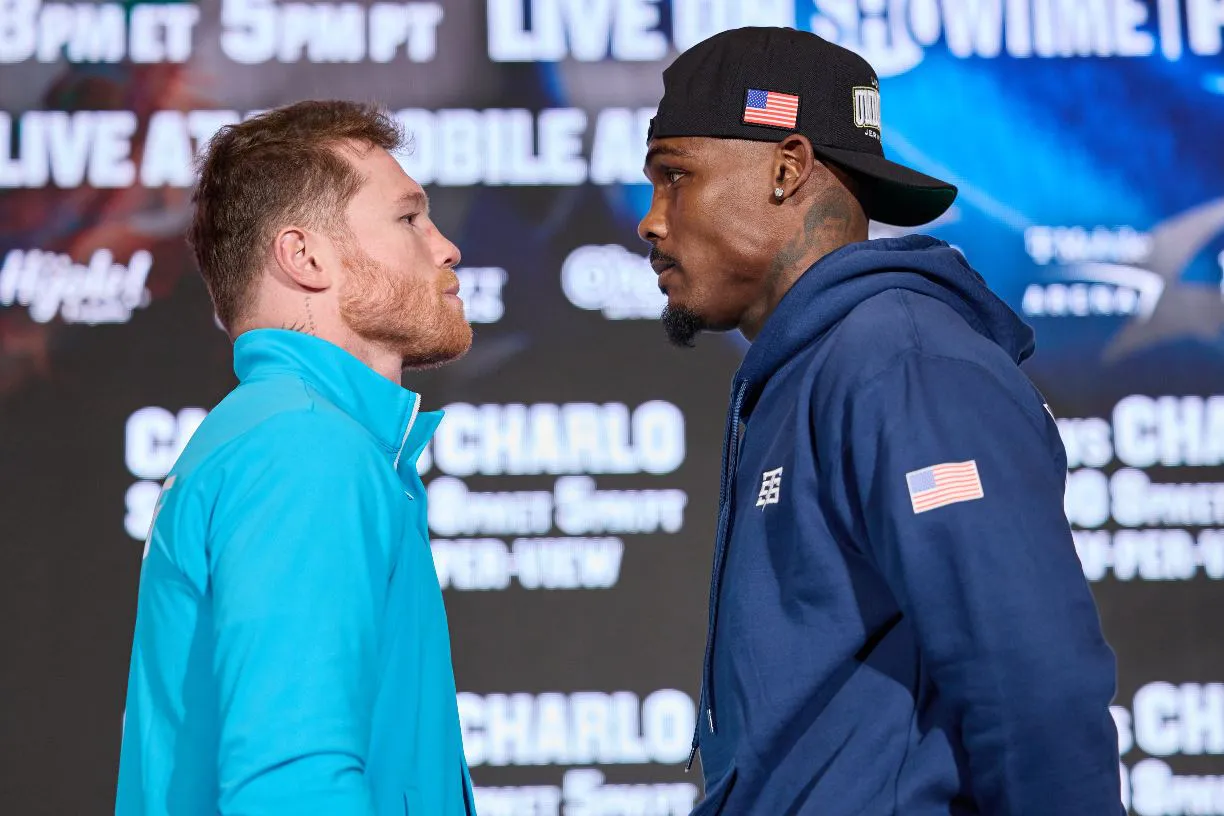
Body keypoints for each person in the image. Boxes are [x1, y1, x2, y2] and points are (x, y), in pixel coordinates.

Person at [639, 27, 1124, 816]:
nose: (651, 221)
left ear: (786, 169)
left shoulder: (902, 361)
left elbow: (1031, 675)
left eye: (675, 176)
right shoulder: (814, 366)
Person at [115, 100, 477, 815]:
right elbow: (289, 784)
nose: (446, 248)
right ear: (305, 257)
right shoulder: (306, 449)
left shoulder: (280, 433)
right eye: (409, 218)